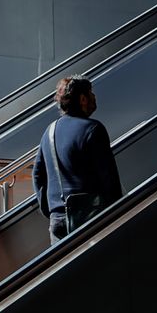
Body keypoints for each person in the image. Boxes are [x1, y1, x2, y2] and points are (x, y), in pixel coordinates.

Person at [32, 75, 122, 245]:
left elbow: (37, 175)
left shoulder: (49, 132)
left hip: (57, 220)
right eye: (91, 93)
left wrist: (51, 209)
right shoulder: (93, 129)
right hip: (89, 217)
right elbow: (109, 178)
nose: (94, 97)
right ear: (82, 99)